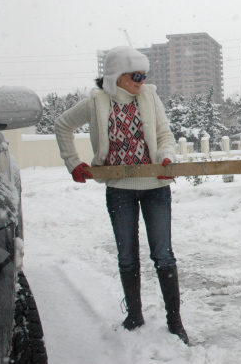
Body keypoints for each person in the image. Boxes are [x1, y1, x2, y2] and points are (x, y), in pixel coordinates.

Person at [55, 46, 189, 344]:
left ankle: (175, 322)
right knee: (127, 257)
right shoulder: (96, 101)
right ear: (117, 75)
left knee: (163, 255)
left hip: (155, 188)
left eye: (145, 74)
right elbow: (62, 124)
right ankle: (134, 315)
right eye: (136, 75)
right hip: (118, 192)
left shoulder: (149, 96)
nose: (142, 80)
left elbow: (165, 135)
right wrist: (72, 161)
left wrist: (166, 156)